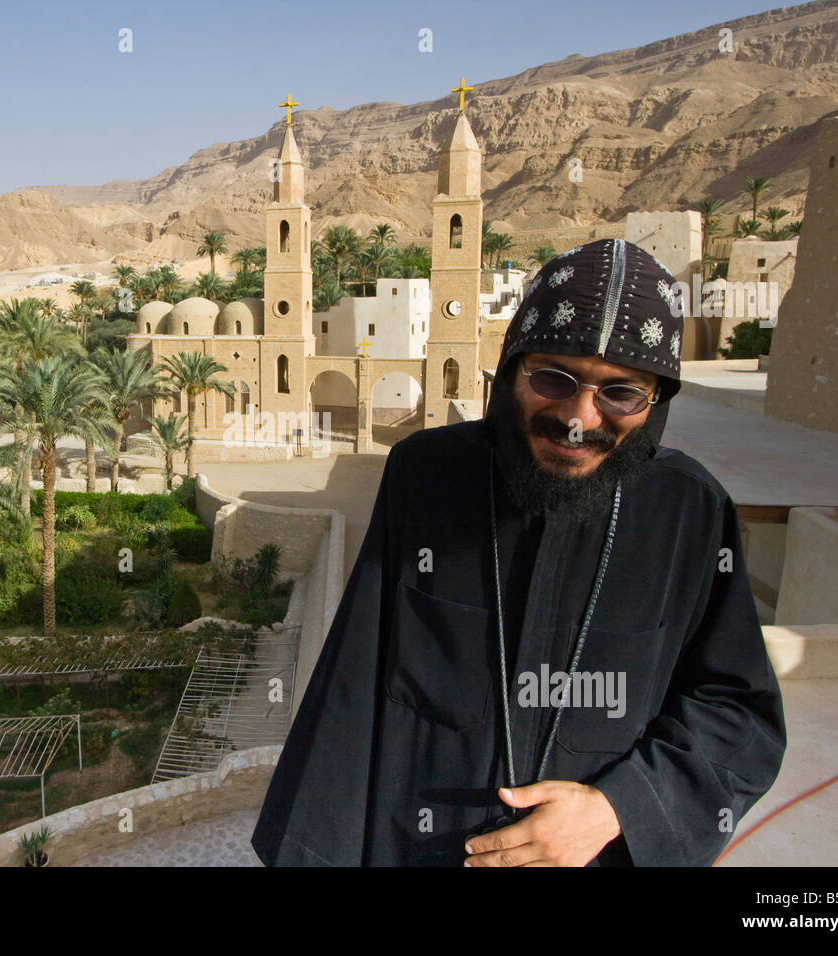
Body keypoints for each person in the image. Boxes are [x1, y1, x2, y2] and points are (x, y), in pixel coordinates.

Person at [250, 239, 786, 867]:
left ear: (655, 401)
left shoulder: (688, 511)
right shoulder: (428, 477)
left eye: (620, 393)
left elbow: (736, 712)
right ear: (510, 371)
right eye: (554, 379)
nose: (580, 418)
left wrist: (620, 808)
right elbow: (355, 681)